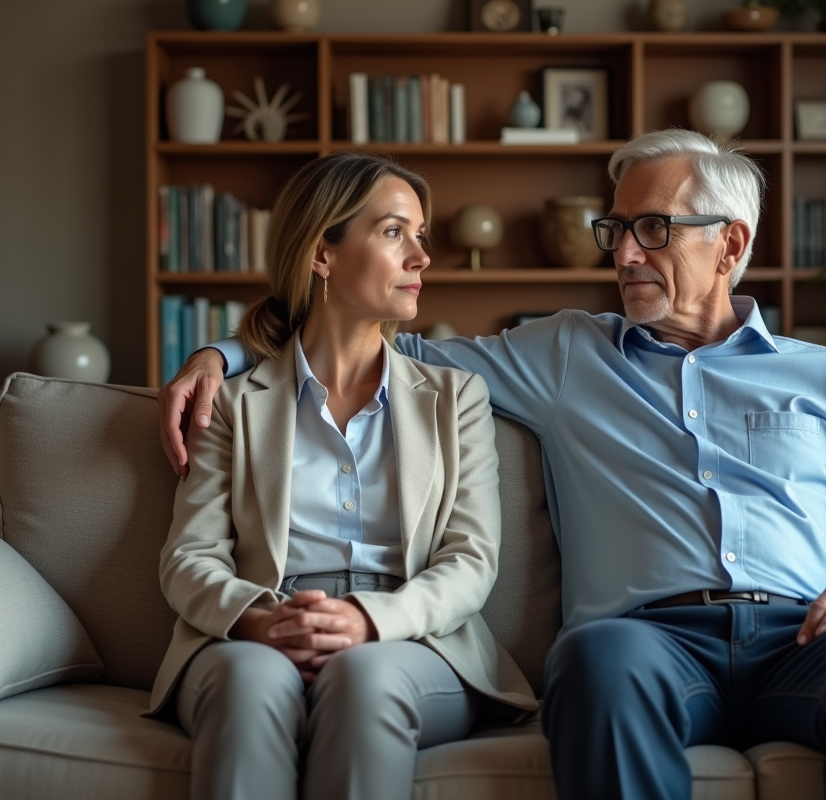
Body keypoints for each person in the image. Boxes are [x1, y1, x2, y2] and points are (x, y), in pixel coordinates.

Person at [161, 130, 826, 800]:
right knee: (591, 661)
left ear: (732, 243)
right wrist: (221, 355)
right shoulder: (563, 354)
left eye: (652, 228)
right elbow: (372, 341)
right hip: (650, 644)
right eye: (614, 230)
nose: (623, 253)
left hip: (808, 638)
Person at [147, 152, 537, 800]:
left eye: (420, 236)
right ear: (322, 254)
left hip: (411, 638)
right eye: (393, 233)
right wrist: (258, 621)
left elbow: (471, 561)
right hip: (267, 628)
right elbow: (188, 557)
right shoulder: (236, 403)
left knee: (363, 677)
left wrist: (368, 622)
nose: (421, 257)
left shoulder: (456, 398)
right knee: (249, 683)